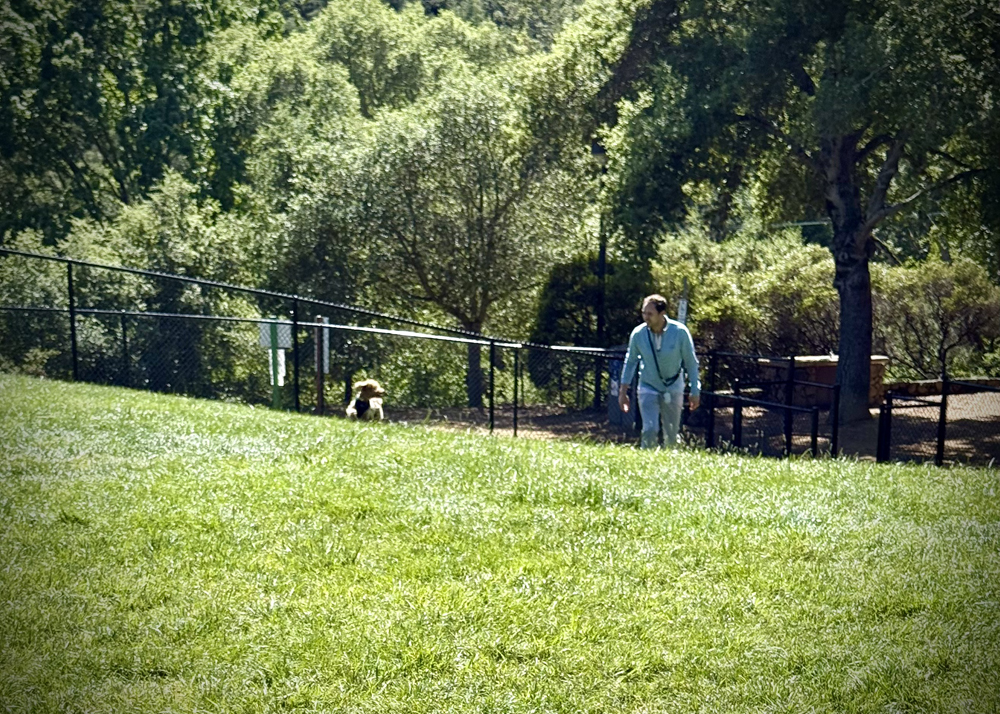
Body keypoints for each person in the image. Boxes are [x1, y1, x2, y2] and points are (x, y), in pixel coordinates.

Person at [618, 294, 701, 448]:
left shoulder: (680, 332)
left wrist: (695, 390)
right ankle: (646, 464)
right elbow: (630, 363)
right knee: (649, 429)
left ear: (662, 314)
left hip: (673, 387)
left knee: (671, 433)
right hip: (648, 386)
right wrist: (623, 392)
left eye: (650, 314)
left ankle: (669, 463)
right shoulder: (638, 334)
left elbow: (691, 362)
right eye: (644, 313)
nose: (645, 317)